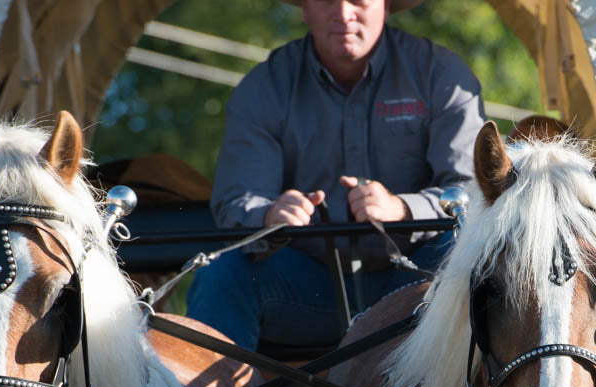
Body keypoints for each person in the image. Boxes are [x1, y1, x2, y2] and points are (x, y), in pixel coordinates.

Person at [186, 0, 485, 350]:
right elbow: (238, 200)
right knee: (221, 274)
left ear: (386, 6)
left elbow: (472, 194)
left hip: (418, 284)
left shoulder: (442, 75)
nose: (343, 13)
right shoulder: (264, 87)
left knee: (472, 262)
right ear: (304, 9)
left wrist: (401, 209)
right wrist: (270, 214)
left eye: (358, 0)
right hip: (308, 289)